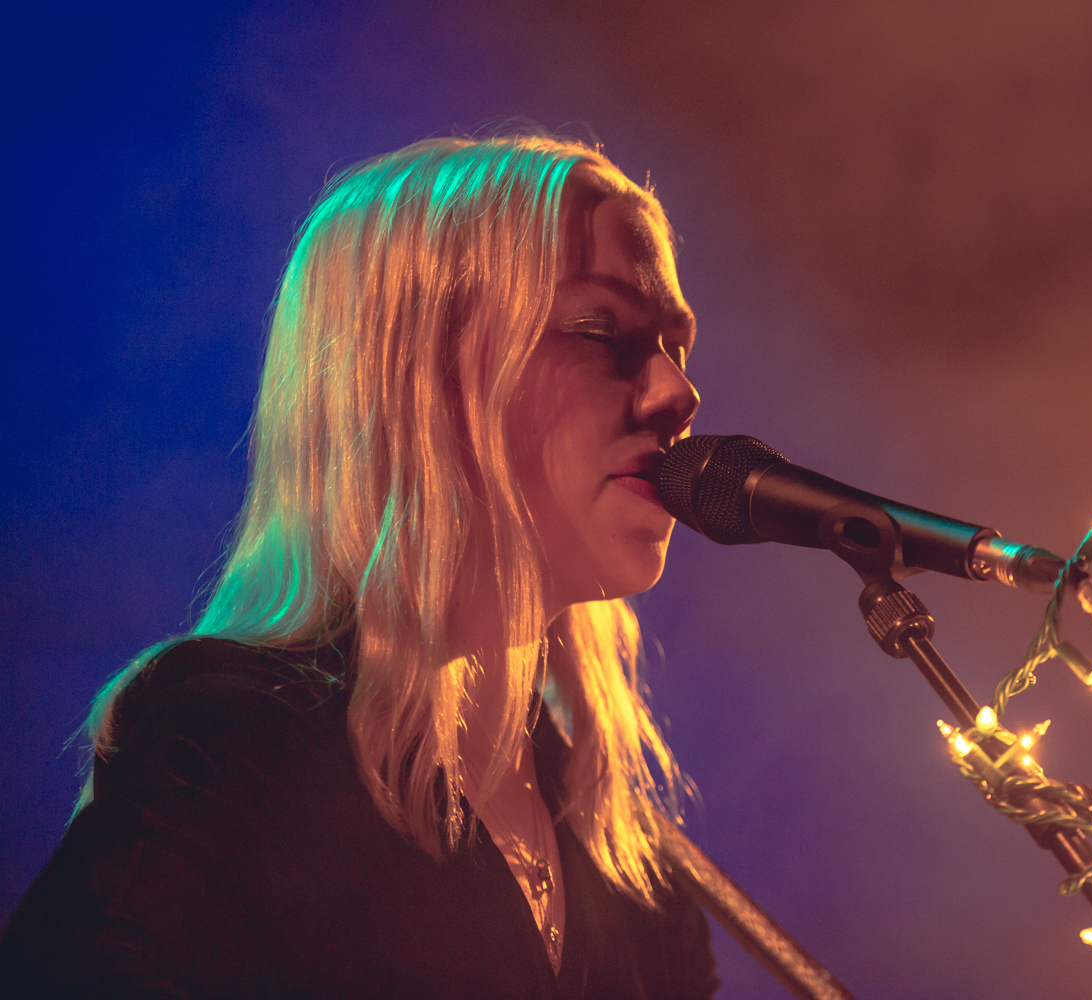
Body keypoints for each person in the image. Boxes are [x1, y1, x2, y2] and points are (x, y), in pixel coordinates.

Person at [0, 134, 719, 999]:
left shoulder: (631, 864)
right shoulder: (231, 747)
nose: (678, 396)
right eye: (600, 329)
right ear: (414, 376)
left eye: (675, 346)